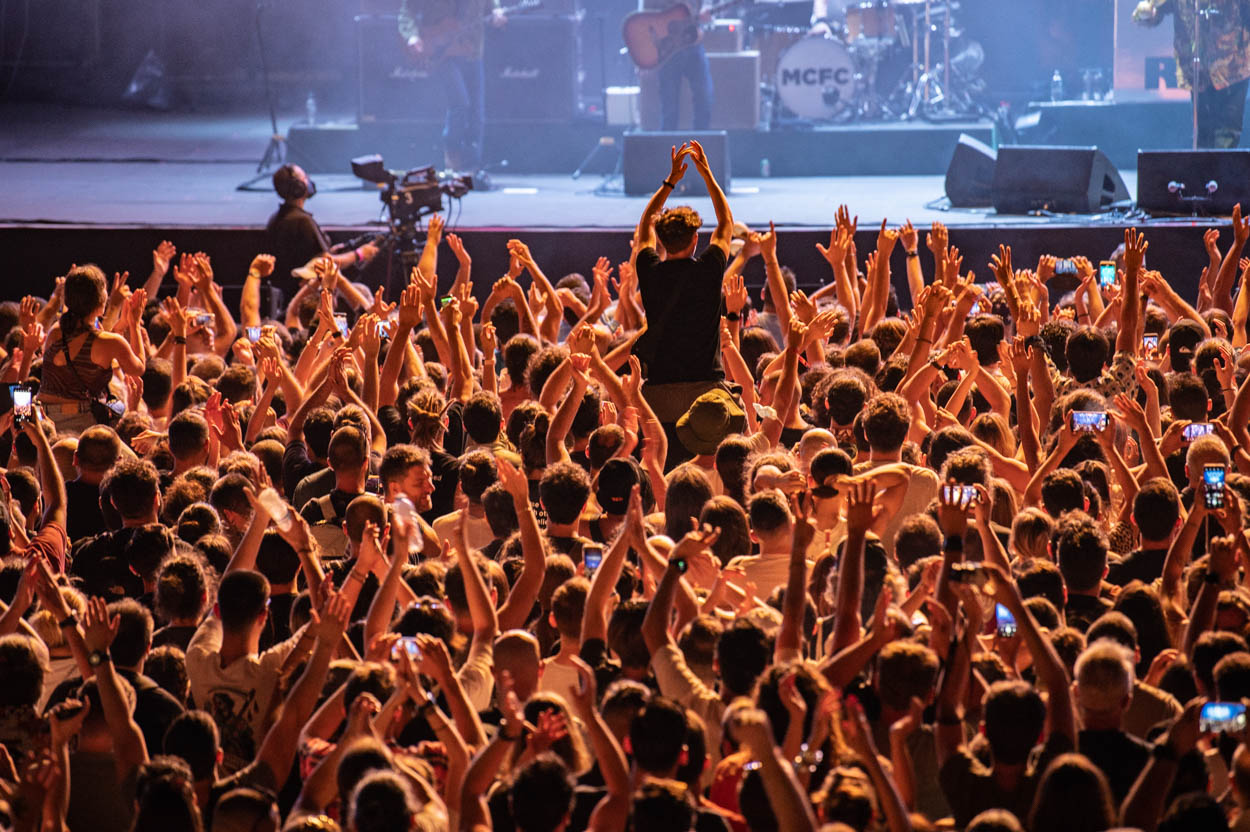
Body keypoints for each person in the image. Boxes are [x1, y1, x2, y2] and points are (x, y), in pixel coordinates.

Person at [632, 141, 735, 467]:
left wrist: (671, 180)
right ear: (695, 240)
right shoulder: (708, 270)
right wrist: (706, 172)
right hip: (706, 396)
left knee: (658, 472)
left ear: (661, 241)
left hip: (657, 398)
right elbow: (726, 224)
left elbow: (645, 224)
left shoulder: (648, 270)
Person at [398, 0, 506, 172]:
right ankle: (452, 159)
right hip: (441, 52)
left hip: (472, 49)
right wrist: (412, 35)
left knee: (476, 113)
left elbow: (491, 6)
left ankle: (472, 168)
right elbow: (407, 11)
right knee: (460, 104)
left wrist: (496, 11)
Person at [1134, 0, 1250, 147]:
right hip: (1198, 67)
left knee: (1227, 131)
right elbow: (1156, 9)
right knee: (1203, 131)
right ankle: (1204, 167)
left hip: (1233, 63)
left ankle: (1221, 168)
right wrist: (1148, 13)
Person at [265, 164, 378, 290]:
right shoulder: (302, 221)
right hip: (305, 293)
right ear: (298, 187)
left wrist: (331, 251)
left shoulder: (277, 218)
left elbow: (305, 256)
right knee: (363, 291)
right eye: (305, 178)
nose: (309, 181)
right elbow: (326, 263)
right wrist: (359, 254)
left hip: (287, 291)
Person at [640, 1, 715, 130]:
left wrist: (707, 14)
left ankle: (700, 146)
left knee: (705, 98)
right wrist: (647, 52)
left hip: (693, 46)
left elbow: (707, 7)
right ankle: (667, 147)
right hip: (667, 51)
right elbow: (644, 19)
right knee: (669, 109)